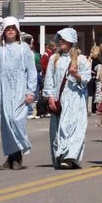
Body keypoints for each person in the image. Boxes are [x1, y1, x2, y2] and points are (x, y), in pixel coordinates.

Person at [0, 17, 37, 170]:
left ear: (17, 30)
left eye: (13, 28)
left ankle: (18, 153)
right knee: (6, 122)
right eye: (8, 28)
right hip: (3, 86)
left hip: (20, 86)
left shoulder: (24, 47)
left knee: (16, 119)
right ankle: (11, 155)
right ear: (4, 30)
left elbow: (31, 71)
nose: (10, 30)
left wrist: (30, 91)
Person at [43, 28, 90, 169]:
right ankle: (60, 156)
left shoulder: (80, 59)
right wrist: (50, 96)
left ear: (71, 41)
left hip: (75, 100)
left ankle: (70, 157)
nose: (61, 41)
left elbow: (87, 79)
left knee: (74, 129)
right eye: (60, 39)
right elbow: (49, 79)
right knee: (58, 129)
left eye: (64, 39)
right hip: (59, 99)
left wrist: (75, 75)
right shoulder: (53, 58)